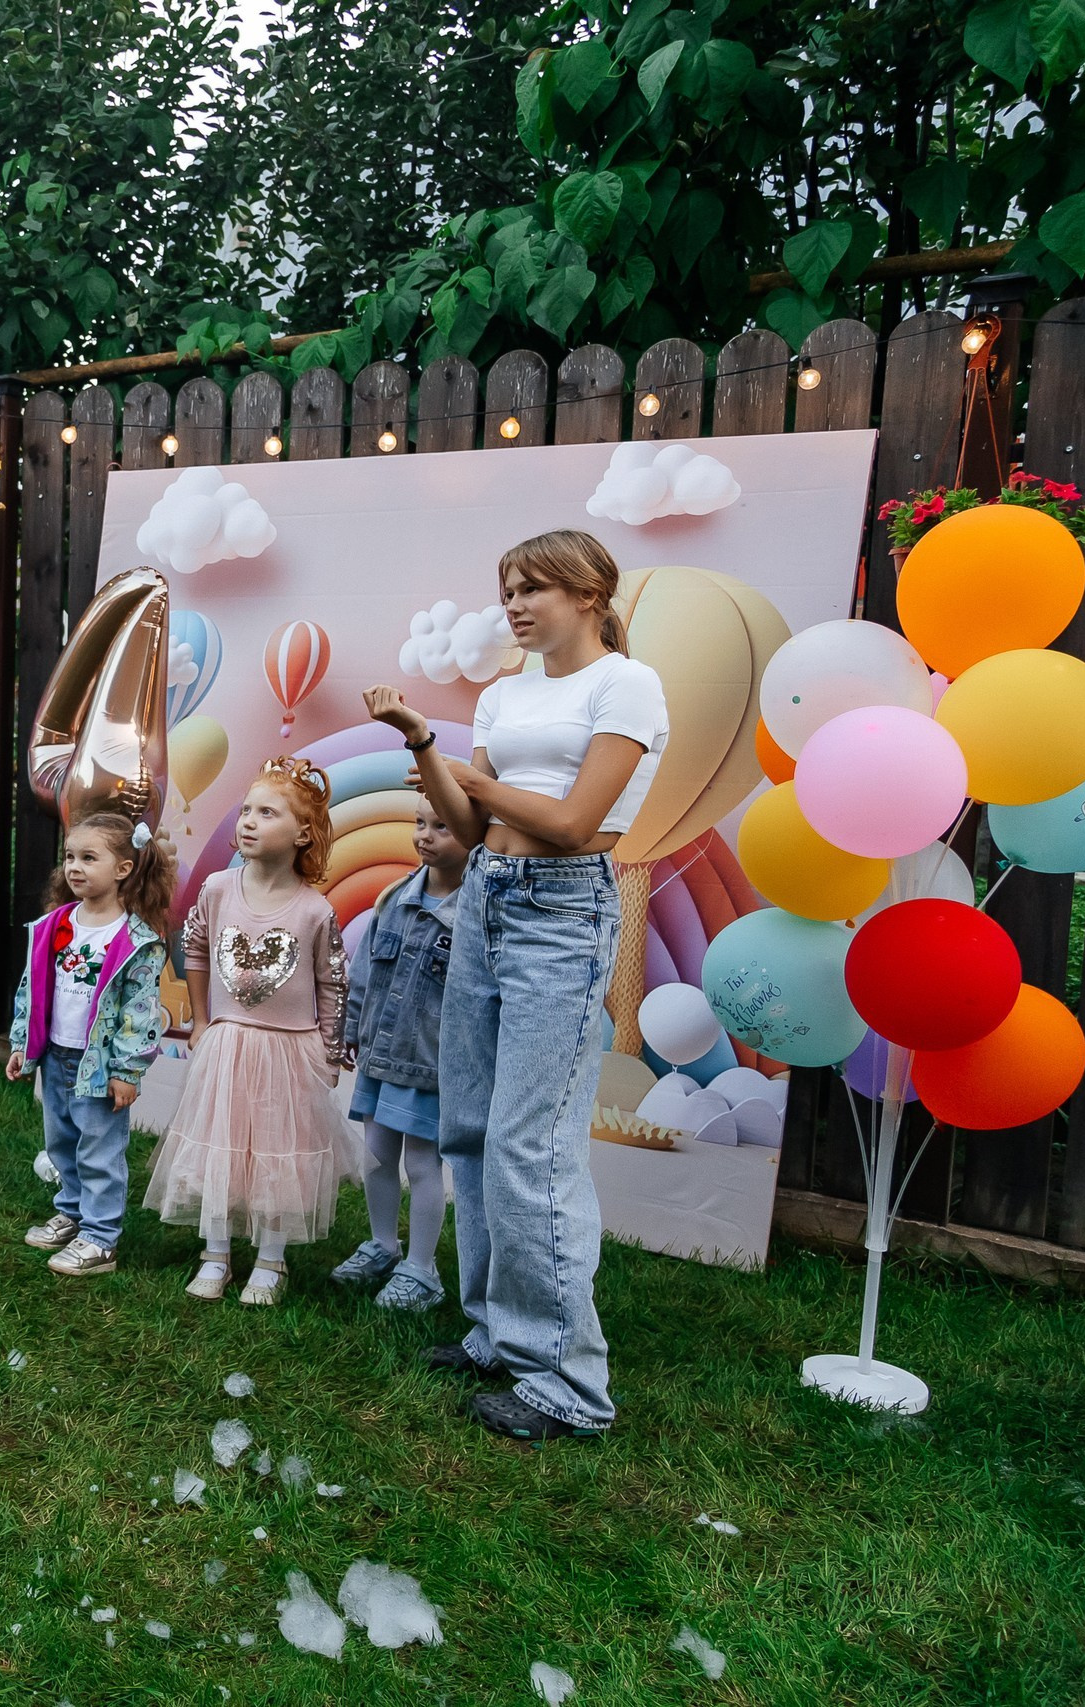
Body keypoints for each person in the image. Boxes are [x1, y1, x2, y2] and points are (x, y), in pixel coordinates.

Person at [363, 527, 668, 1443]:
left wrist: (473, 782)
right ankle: (497, 1329)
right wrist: (426, 747)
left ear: (590, 594)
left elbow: (577, 821)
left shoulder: (625, 683)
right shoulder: (502, 695)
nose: (518, 605)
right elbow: (460, 818)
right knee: (470, 1127)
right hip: (488, 899)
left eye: (537, 587)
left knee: (532, 1146)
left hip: (564, 913)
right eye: (509, 591)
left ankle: (569, 1384)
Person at [143, 758, 352, 1305]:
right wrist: (203, 1019)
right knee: (220, 1145)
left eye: (268, 812)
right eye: (246, 811)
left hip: (288, 1052)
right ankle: (215, 1253)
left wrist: (328, 1052)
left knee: (277, 1157)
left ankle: (271, 1259)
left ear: (303, 833)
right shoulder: (217, 888)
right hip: (228, 1043)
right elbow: (192, 945)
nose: (249, 822)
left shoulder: (314, 910)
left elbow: (332, 984)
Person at [8, 812, 174, 1279]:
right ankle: (74, 1212)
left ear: (123, 869)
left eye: (88, 857)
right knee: (61, 1141)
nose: (74, 867)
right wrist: (23, 1043)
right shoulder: (52, 926)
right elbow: (30, 989)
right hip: (56, 1055)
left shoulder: (135, 941)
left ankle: (101, 1238)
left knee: (99, 1149)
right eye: (69, 857)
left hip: (99, 1064)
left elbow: (139, 1013)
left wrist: (127, 1070)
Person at [330, 800, 467, 1311]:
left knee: (423, 1164)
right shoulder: (395, 899)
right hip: (380, 1057)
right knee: (377, 1155)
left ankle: (423, 1270)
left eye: (442, 826)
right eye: (420, 824)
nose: (425, 836)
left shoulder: (473, 913)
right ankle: (384, 1246)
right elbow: (366, 970)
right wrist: (351, 1025)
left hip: (428, 1064)